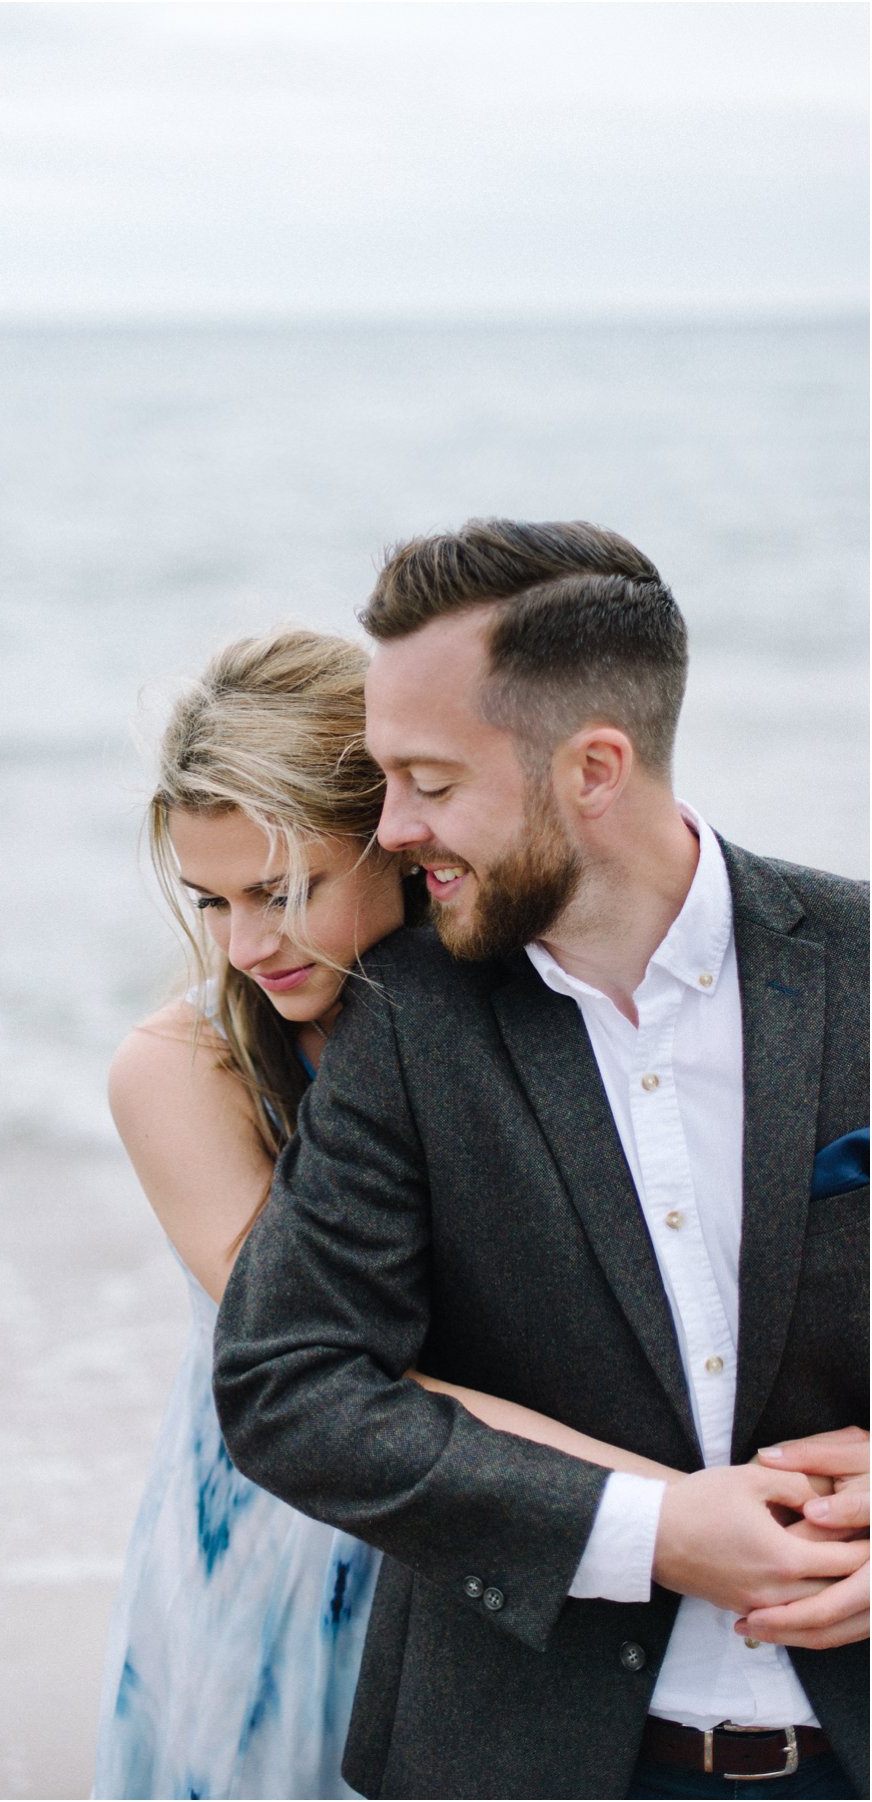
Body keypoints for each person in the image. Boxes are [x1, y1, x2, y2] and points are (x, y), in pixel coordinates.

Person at [213, 523, 869, 1801]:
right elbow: (288, 1381)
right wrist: (649, 1532)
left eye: (430, 779)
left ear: (593, 768)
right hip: (523, 1757)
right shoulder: (404, 1020)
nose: (392, 827)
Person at [92, 627, 693, 1801]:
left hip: (543, 1513)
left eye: (288, 889)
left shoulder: (528, 1006)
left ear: (403, 839)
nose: (248, 943)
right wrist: (670, 1512)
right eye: (212, 902)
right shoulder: (184, 1067)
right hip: (296, 1542)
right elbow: (337, 1372)